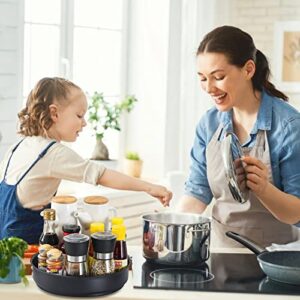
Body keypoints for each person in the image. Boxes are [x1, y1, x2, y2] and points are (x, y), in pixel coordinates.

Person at [0, 77, 172, 244]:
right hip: (26, 247)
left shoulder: (19, 146)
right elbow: (102, 175)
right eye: (79, 115)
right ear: (54, 113)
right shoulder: (53, 152)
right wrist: (150, 187)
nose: (84, 123)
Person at [177, 25, 300, 248]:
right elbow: (197, 191)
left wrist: (264, 189)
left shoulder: (289, 127)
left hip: (275, 259)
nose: (209, 88)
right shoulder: (209, 124)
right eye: (203, 78)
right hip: (221, 252)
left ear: (248, 69)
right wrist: (171, 224)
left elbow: (296, 213)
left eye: (218, 77)